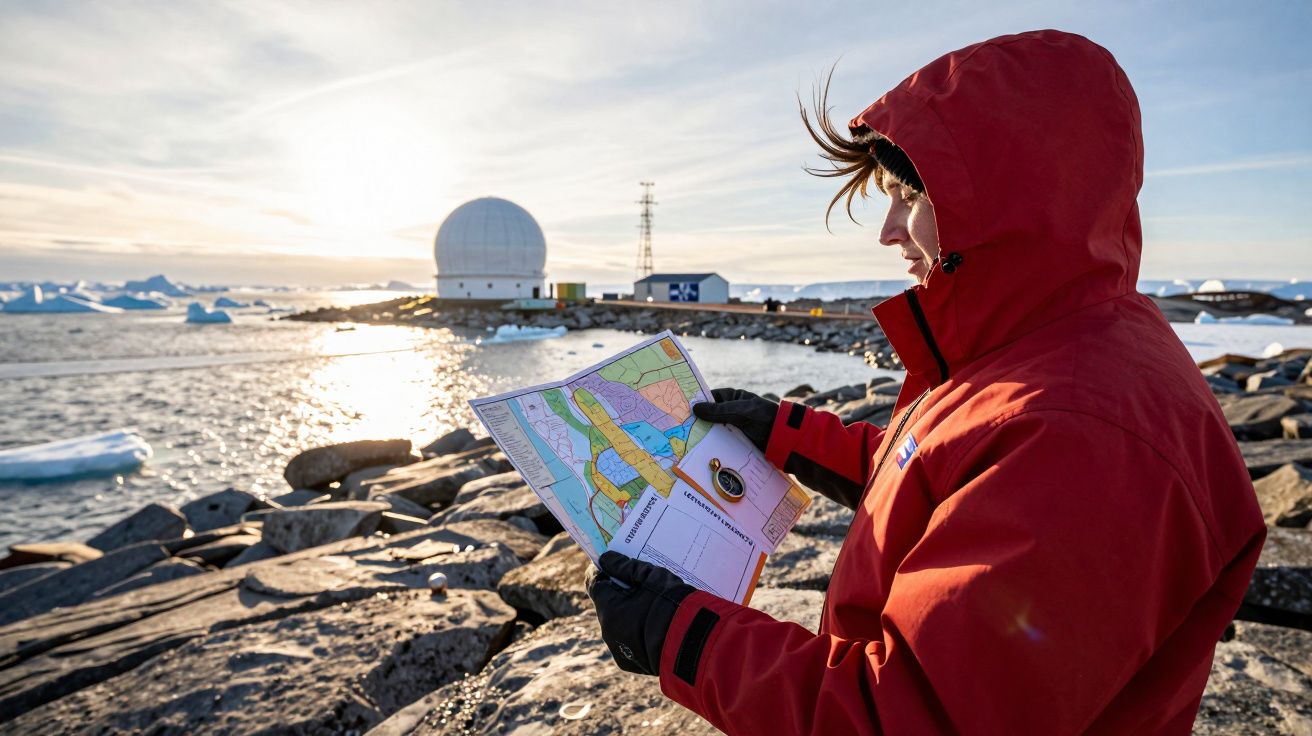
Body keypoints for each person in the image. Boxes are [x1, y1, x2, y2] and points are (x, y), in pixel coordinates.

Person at [586, 29, 1265, 734]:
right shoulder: (1047, 345)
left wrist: (685, 638)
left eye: (910, 196)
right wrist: (787, 433)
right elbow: (943, 474)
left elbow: (908, 716)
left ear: (1014, 199)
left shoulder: (1080, 436)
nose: (888, 231)